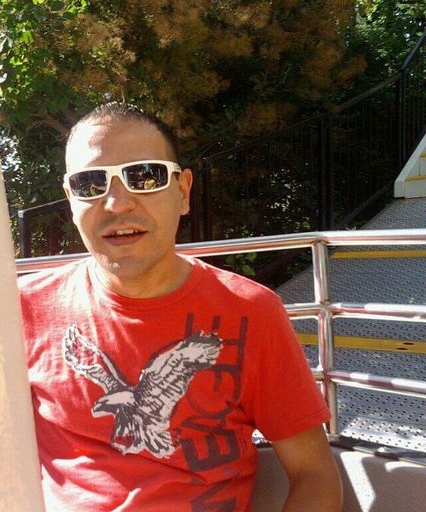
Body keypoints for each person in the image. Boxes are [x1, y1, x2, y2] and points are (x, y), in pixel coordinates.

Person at [18, 102, 342, 511]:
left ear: (183, 192)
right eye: (90, 183)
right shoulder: (21, 310)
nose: (117, 203)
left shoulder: (251, 313)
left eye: (144, 176)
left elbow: (314, 474)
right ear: (70, 200)